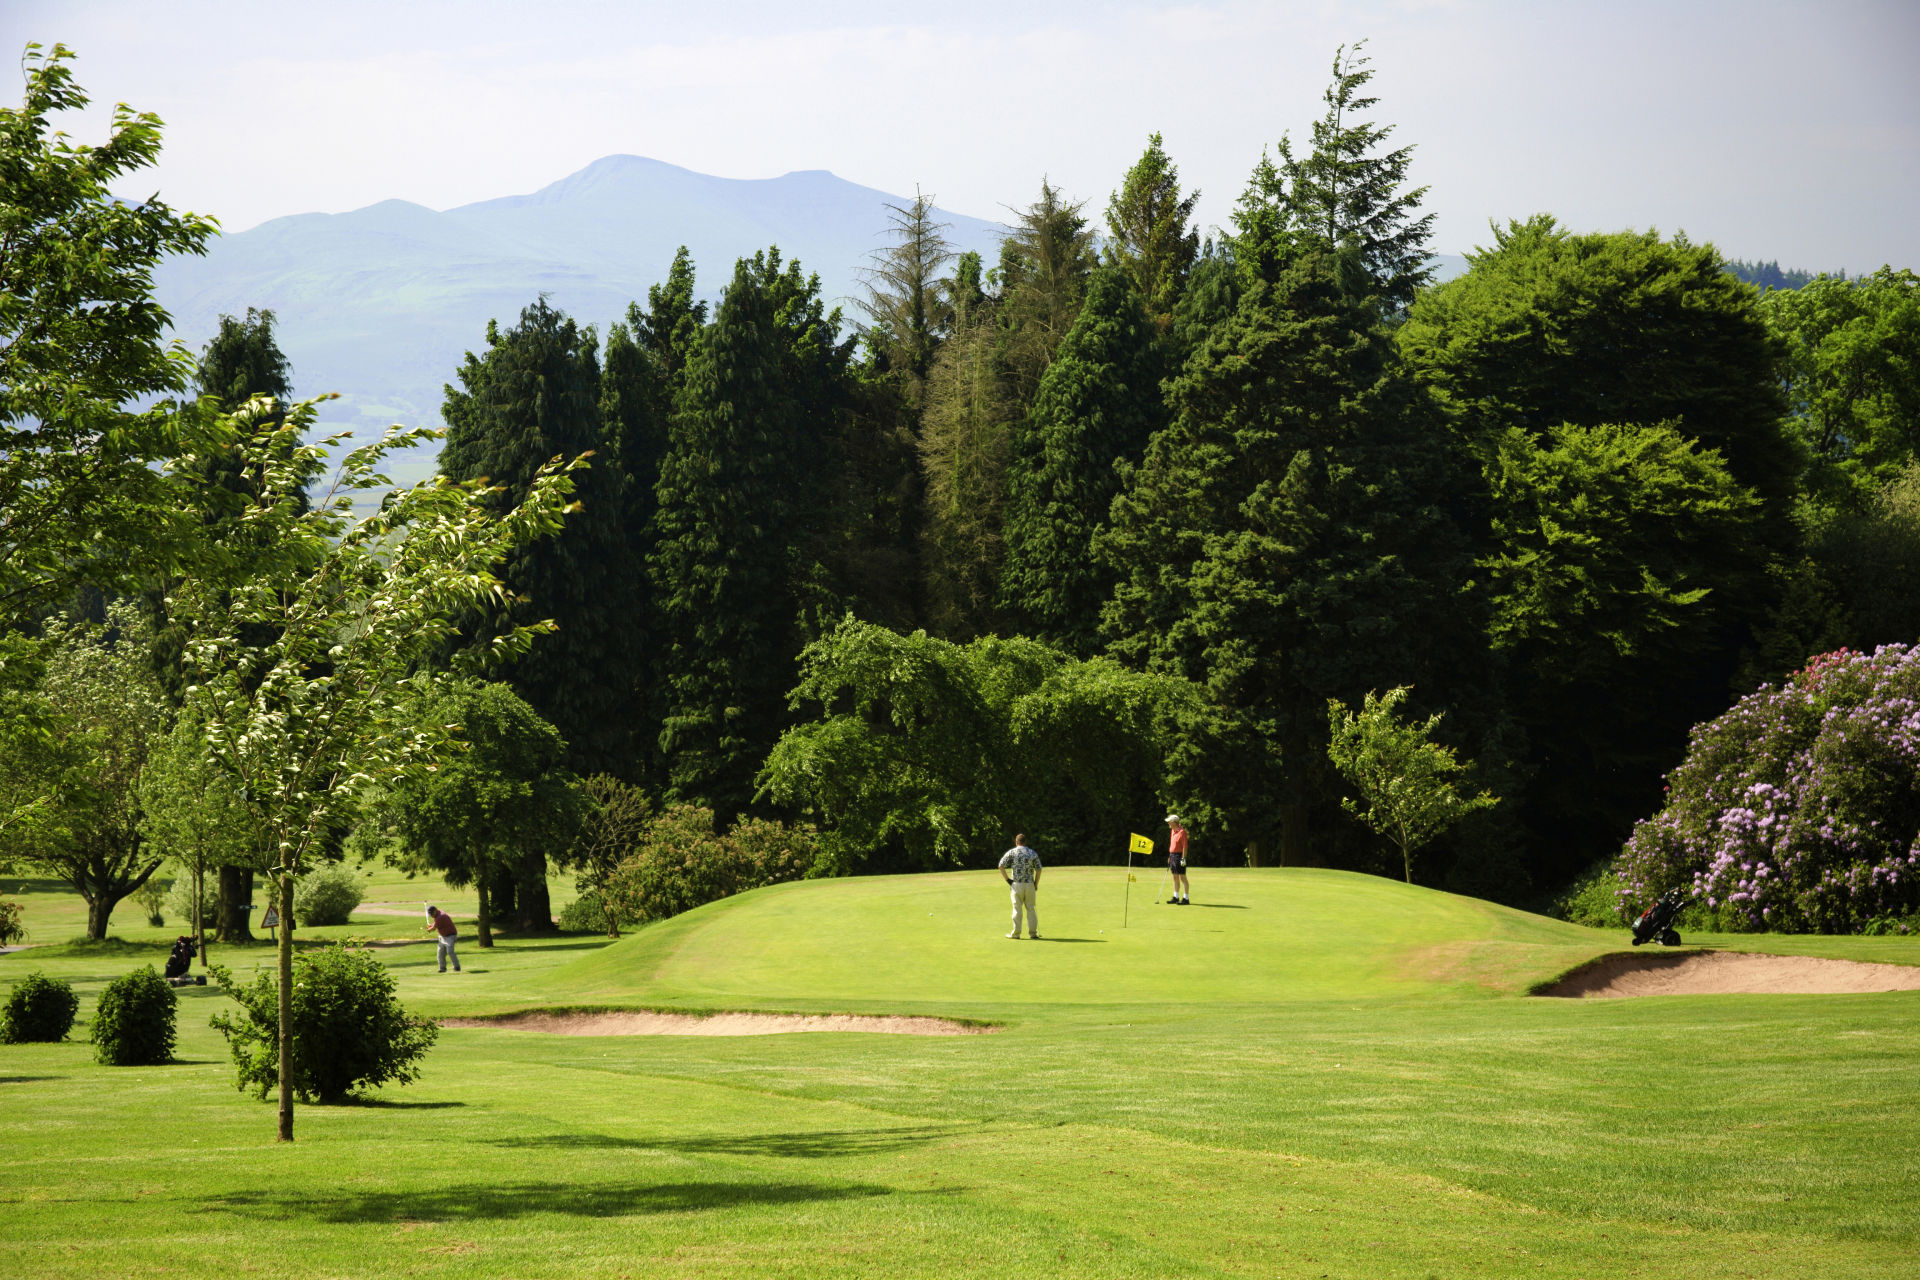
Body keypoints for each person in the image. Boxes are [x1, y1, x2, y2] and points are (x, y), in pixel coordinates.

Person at [998, 833, 1043, 939]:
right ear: (1025, 842)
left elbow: (1000, 865)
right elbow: (1039, 869)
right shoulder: (1032, 852)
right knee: (1031, 909)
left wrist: (1008, 880)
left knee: (1017, 909)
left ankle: (1016, 934)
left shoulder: (1012, 852)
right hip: (1029, 884)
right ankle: (1033, 933)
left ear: (1016, 842)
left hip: (1016, 884)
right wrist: (1036, 883)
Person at [425, 905, 461, 972]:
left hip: (450, 936)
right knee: (440, 953)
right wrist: (432, 925)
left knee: (450, 952)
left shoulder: (440, 916)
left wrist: (429, 929)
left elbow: (433, 928)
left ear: (435, 910)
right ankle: (442, 968)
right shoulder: (438, 914)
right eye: (430, 914)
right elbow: (435, 924)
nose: (431, 915)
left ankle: (456, 967)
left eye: (432, 914)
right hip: (443, 936)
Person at [1166, 813, 1190, 904]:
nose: (1168, 823)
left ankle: (1186, 898)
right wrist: (1169, 856)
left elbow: (1185, 846)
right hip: (1172, 856)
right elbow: (1172, 845)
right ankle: (1176, 896)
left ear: (1174, 822)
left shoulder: (1182, 832)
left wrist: (1183, 858)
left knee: (1182, 877)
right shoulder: (1172, 831)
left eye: (1169, 821)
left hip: (1179, 856)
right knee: (1175, 877)